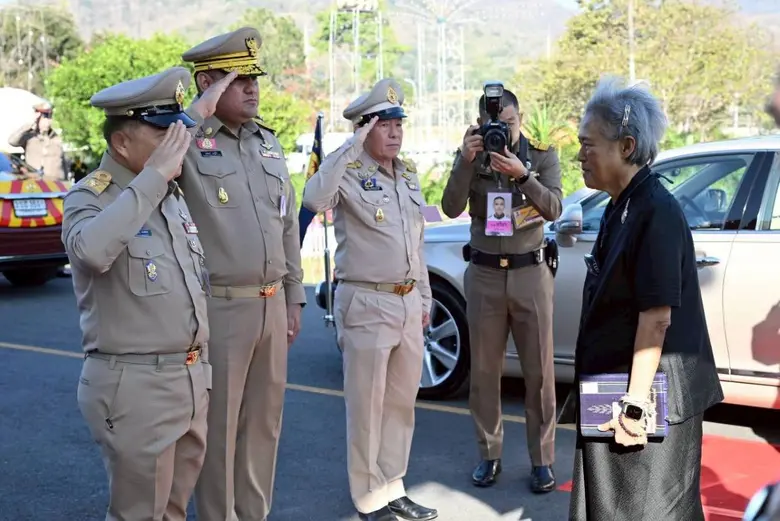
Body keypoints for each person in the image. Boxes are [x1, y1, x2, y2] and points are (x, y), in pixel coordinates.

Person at [62, 66, 231, 521]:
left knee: (173, 510)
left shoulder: (169, 196)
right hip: (136, 386)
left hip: (189, 380)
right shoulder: (91, 198)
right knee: (139, 513)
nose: (177, 144)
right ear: (121, 143)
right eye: (163, 134)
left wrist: (200, 111)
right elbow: (93, 252)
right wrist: (154, 176)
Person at [566, 76, 724, 520]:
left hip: (645, 399)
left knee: (646, 509)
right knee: (610, 505)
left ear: (627, 146)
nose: (580, 156)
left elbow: (655, 320)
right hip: (615, 390)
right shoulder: (621, 204)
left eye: (588, 144)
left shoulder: (656, 212)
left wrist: (635, 405)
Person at [178, 26, 306, 521]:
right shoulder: (187, 140)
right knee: (220, 428)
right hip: (222, 307)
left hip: (272, 302)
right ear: (208, 83)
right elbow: (154, 159)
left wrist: (294, 294)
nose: (253, 88)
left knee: (264, 425)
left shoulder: (267, 143)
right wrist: (198, 111)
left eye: (256, 79)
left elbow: (286, 223)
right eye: (238, 80)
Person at [302, 78, 437, 521]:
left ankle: (393, 485)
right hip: (366, 302)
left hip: (405, 302)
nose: (396, 132)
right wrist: (347, 148)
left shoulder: (409, 172)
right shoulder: (348, 171)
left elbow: (414, 244)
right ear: (365, 129)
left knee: (401, 405)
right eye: (385, 124)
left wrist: (424, 296)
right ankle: (367, 496)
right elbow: (313, 198)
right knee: (367, 407)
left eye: (400, 123)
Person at [440, 88, 561, 492]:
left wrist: (522, 175)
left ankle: (542, 460)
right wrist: (465, 160)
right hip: (486, 274)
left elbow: (555, 209)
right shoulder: (473, 157)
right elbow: (451, 207)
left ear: (519, 118)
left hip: (530, 274)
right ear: (479, 124)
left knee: (539, 374)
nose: (502, 133)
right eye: (495, 125)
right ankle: (488, 455)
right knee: (485, 374)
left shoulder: (542, 154)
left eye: (508, 125)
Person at [8, 101, 69, 180]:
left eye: (50, 117)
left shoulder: (57, 138)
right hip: (35, 185)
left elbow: (64, 164)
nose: (48, 121)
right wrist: (29, 124)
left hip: (57, 186)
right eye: (45, 117)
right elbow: (12, 141)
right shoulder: (29, 136)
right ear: (37, 118)